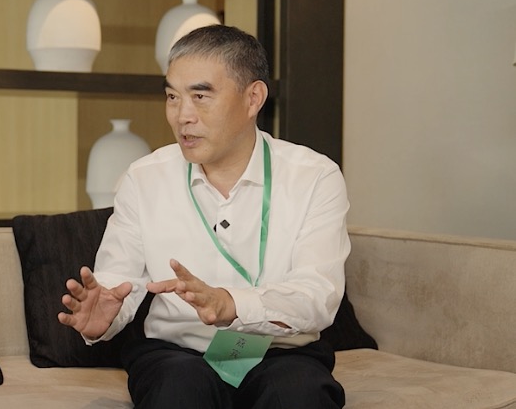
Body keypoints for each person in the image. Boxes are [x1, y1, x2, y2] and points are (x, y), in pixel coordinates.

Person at [59, 24, 349, 408]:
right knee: (179, 391)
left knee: (298, 394)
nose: (183, 116)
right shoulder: (144, 177)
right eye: (172, 97)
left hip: (281, 350)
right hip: (176, 353)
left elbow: (317, 295)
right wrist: (105, 319)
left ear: (253, 98)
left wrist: (231, 304)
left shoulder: (314, 176)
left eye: (200, 96)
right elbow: (117, 281)